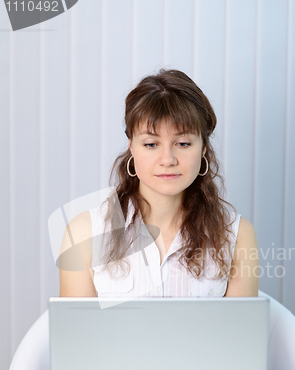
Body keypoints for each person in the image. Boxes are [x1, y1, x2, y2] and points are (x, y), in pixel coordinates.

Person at [59, 69, 259, 299]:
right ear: (132, 147)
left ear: (203, 148)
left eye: (183, 143)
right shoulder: (83, 233)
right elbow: (78, 333)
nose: (168, 160)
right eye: (151, 144)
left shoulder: (236, 235)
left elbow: (238, 334)